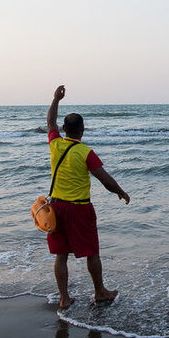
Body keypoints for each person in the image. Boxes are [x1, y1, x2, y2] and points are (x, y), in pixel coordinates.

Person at [46, 85, 130, 310]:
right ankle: (100, 292)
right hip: (79, 209)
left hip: (56, 208)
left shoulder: (55, 145)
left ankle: (64, 298)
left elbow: (50, 123)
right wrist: (120, 191)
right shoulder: (86, 153)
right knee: (91, 252)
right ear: (82, 130)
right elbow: (106, 179)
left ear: (65, 129)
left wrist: (56, 99)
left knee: (61, 255)